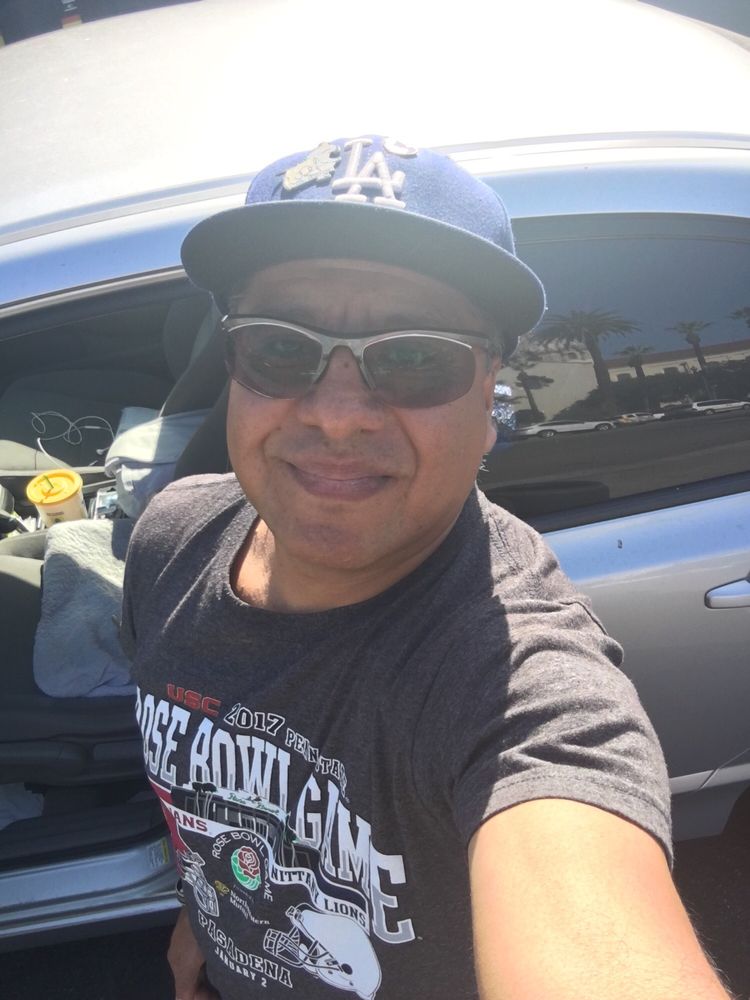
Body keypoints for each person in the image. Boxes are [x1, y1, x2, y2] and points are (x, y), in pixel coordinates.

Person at [120, 135, 730, 1000]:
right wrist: (206, 911)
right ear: (232, 365)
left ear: (489, 394)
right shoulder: (170, 544)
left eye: (414, 358)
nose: (337, 414)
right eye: (280, 348)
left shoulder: (518, 682)